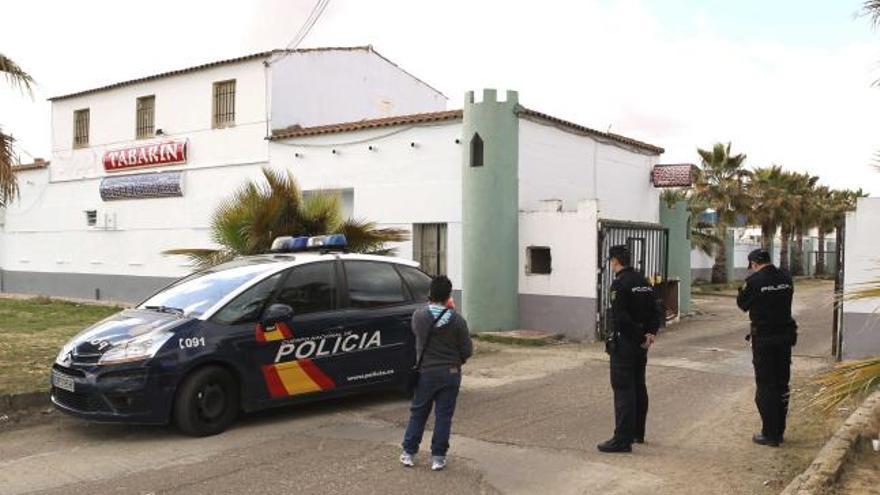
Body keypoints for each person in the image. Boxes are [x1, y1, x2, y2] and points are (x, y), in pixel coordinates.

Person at [400, 275, 473, 471]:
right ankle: (438, 457)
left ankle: (408, 452)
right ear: (449, 295)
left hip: (426, 372)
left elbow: (418, 337)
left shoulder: (419, 316)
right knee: (444, 416)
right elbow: (467, 350)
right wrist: (457, 361)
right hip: (451, 372)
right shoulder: (458, 320)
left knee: (419, 413)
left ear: (430, 293)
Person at [598, 245, 662, 453]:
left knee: (624, 389)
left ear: (615, 261)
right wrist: (649, 334)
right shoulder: (643, 282)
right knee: (638, 386)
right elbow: (656, 310)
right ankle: (637, 433)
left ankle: (622, 440)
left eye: (611, 261)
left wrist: (638, 335)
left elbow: (621, 317)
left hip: (626, 343)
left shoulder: (619, 284)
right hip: (641, 344)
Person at [737, 248, 797, 447]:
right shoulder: (786, 278)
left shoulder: (754, 282)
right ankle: (779, 431)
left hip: (764, 338)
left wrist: (743, 287)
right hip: (785, 337)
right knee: (782, 384)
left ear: (754, 264)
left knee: (766, 386)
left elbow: (742, 304)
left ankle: (769, 434)